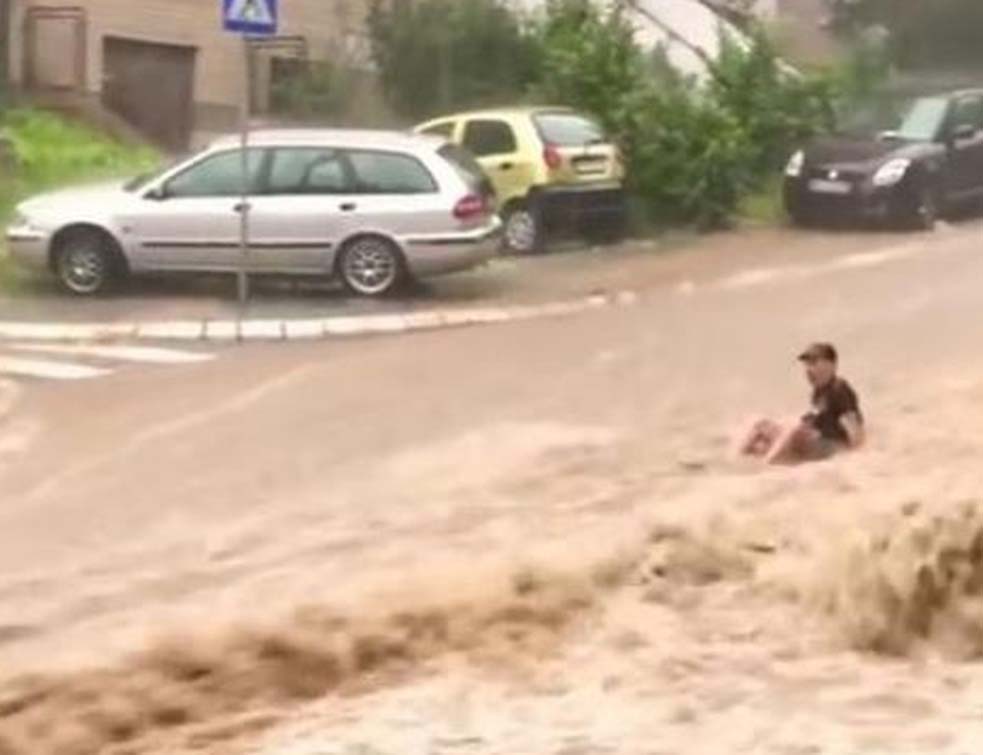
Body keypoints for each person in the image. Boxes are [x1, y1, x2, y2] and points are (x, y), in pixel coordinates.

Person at [739, 343, 865, 464]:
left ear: (831, 365)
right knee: (761, 425)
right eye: (807, 365)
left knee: (794, 430)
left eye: (814, 363)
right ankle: (739, 460)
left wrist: (855, 456)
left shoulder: (839, 388)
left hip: (833, 447)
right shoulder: (819, 392)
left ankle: (767, 465)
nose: (808, 369)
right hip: (817, 443)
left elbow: (854, 427)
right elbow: (811, 419)